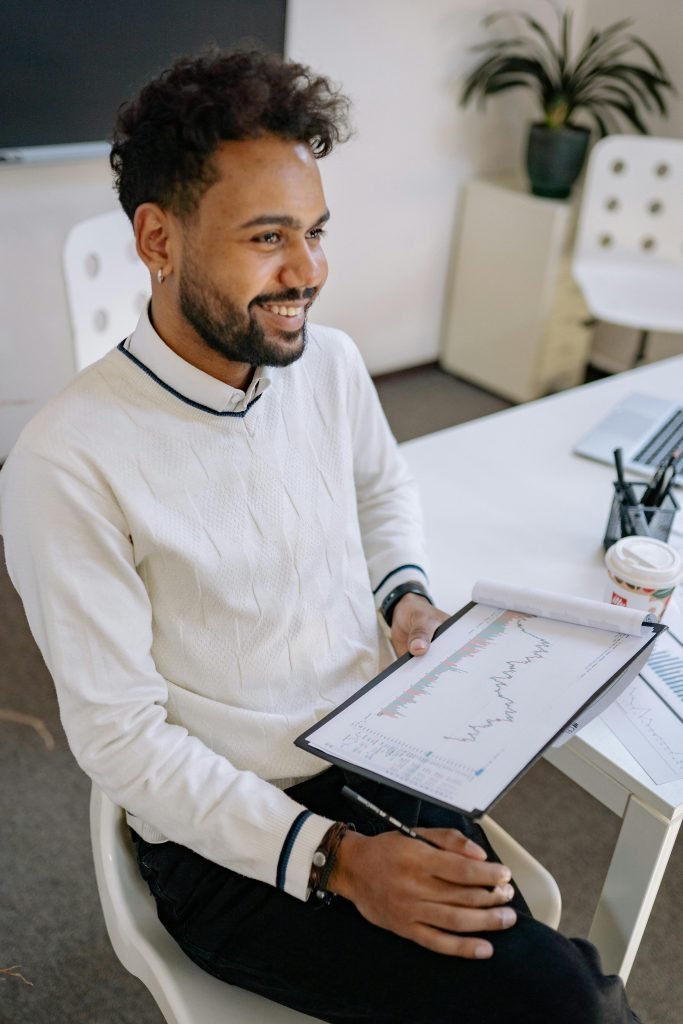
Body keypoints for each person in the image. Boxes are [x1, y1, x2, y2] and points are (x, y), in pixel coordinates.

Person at [0, 49, 641, 1024]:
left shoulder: (329, 366)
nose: (307, 271)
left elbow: (383, 489)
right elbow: (124, 744)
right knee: (560, 1000)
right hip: (223, 831)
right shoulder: (66, 462)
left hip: (374, 744)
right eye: (267, 237)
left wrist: (404, 594)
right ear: (158, 239)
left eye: (314, 232)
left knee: (553, 983)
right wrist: (337, 861)